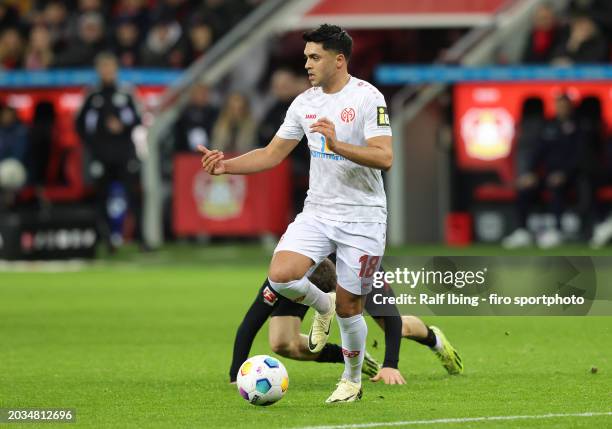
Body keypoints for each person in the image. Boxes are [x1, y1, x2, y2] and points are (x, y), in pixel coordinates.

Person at [199, 24, 393, 403]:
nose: (307, 63)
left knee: (353, 305)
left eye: (314, 57)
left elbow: (385, 157)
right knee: (282, 274)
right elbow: (272, 153)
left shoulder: (369, 98)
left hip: (363, 216)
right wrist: (226, 167)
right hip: (318, 211)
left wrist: (337, 145)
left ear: (339, 61)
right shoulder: (305, 103)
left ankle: (352, 379)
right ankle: (324, 305)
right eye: (306, 56)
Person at [229, 257, 463, 385]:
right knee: (281, 343)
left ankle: (435, 340)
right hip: (306, 275)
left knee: (396, 326)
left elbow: (392, 319)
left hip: (353, 263)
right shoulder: (287, 273)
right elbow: (251, 322)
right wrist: (235, 377)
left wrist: (391, 364)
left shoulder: (362, 265)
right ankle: (350, 355)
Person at [75, 52, 144, 251]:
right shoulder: (92, 95)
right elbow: (80, 125)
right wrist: (94, 144)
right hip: (101, 156)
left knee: (134, 196)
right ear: (98, 70)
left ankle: (141, 238)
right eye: (103, 67)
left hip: (125, 154)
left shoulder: (126, 92)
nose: (106, 71)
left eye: (110, 67)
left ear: (116, 69)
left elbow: (139, 119)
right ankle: (104, 240)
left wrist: (123, 126)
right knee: (100, 197)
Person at [503, 94, 581, 249]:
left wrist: (565, 173)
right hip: (546, 175)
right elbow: (538, 152)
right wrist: (530, 173)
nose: (561, 109)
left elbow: (579, 156)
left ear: (570, 107)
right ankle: (522, 231)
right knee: (525, 188)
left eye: (564, 106)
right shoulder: (548, 126)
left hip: (571, 176)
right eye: (559, 105)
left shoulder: (578, 126)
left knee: (556, 187)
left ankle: (557, 230)